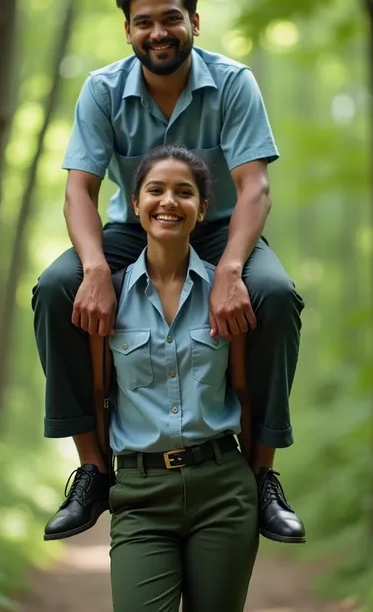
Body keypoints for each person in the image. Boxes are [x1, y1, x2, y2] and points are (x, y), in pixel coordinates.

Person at [33, 0, 306, 545]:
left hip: (221, 229)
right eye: (144, 23)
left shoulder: (234, 83)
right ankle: (93, 470)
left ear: (195, 22)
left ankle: (262, 476)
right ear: (128, 31)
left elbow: (254, 186)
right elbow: (78, 189)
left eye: (171, 19)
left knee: (276, 295)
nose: (158, 32)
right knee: (56, 289)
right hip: (129, 233)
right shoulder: (102, 90)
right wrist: (94, 270)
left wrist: (232, 269)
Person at [112, 145, 258, 612]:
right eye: (155, 190)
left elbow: (243, 391)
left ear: (203, 209)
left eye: (184, 192)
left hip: (223, 491)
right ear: (135, 204)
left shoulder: (228, 295)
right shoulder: (108, 297)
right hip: (139, 495)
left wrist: (257, 476)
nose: (169, 202)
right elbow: (97, 394)